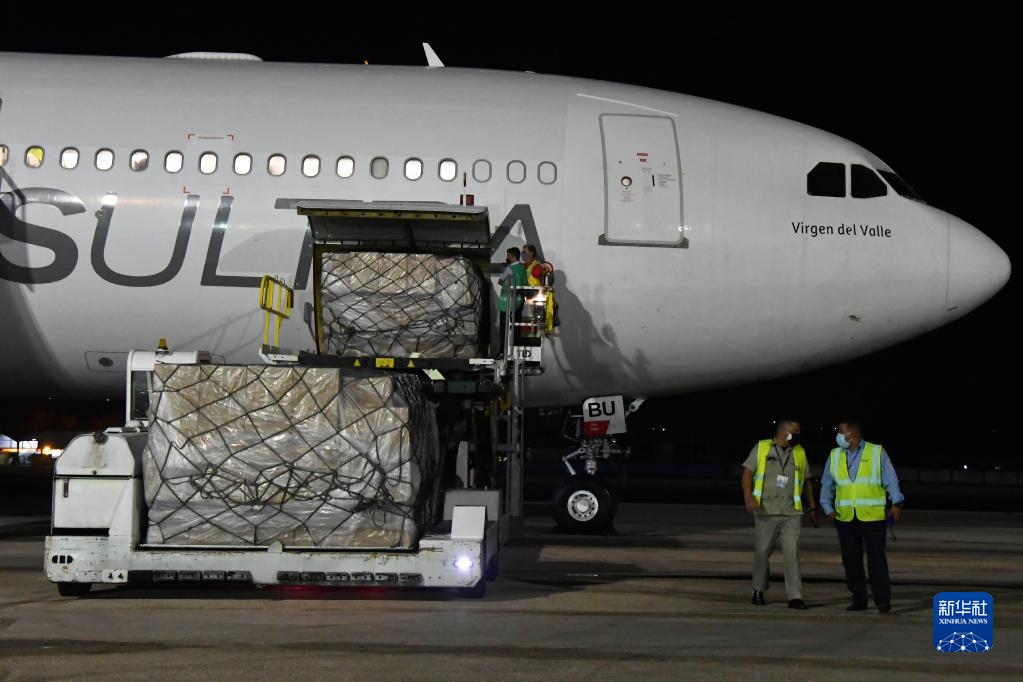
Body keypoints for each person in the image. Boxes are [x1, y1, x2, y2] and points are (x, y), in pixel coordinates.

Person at [819, 419, 904, 613]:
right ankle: (859, 599)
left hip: (873, 517)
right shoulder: (834, 455)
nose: (838, 434)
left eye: (841, 431)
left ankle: (882, 600)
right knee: (851, 560)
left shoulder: (876, 452)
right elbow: (827, 483)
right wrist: (827, 508)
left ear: (852, 434)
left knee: (876, 559)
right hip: (845, 517)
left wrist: (897, 502)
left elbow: (890, 479)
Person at [741, 419, 816, 610]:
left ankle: (795, 597)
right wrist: (748, 496)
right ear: (784, 431)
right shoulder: (762, 448)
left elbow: (807, 481)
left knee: (792, 554)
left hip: (792, 512)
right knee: (762, 553)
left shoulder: (799, 452)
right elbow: (747, 473)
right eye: (795, 431)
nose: (798, 434)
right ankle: (758, 589)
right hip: (767, 510)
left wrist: (813, 508)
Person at [497, 247, 527, 354]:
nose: (507, 258)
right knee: (516, 329)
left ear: (513, 256)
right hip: (518, 304)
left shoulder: (509, 269)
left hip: (506, 304)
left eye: (508, 255)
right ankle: (515, 351)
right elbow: (524, 284)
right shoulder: (523, 269)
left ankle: (503, 352)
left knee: (504, 329)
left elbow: (499, 281)